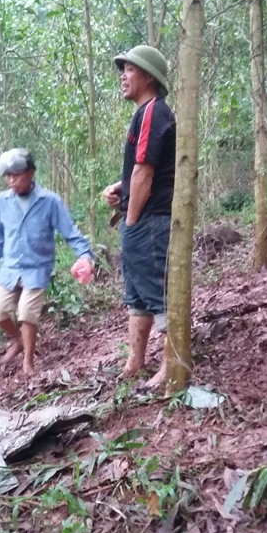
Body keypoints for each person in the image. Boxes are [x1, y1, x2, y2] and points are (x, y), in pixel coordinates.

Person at [101, 44, 176, 392]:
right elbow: (141, 169)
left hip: (149, 221)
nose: (123, 76)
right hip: (142, 217)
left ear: (148, 76)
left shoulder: (152, 113)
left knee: (157, 292)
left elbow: (145, 172)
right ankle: (135, 362)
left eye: (129, 69)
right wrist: (121, 187)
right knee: (137, 294)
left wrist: (130, 221)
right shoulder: (145, 114)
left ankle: (171, 363)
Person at [0, 148, 94, 376]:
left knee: (27, 312)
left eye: (17, 175)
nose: (12, 181)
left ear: (31, 173)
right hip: (10, 269)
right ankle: (18, 340)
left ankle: (28, 361)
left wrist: (84, 256)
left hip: (37, 268)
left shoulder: (50, 201)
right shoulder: (2, 202)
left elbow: (70, 232)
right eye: (7, 176)